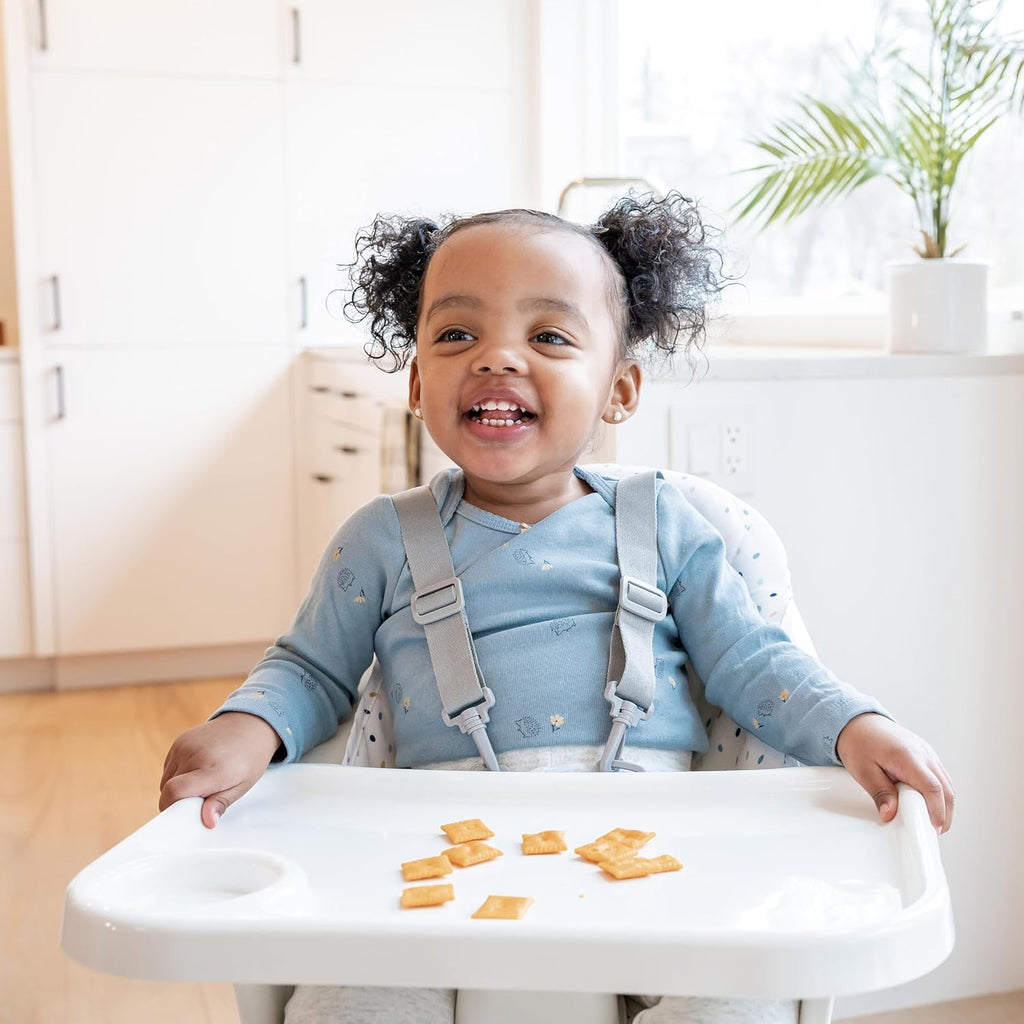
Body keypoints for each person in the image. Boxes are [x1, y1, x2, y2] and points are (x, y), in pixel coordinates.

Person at [160, 193, 954, 1024]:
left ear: (619, 390)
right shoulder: (380, 540)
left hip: (656, 856)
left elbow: (755, 664)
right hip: (435, 855)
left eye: (548, 336)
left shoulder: (673, 527)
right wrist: (245, 729)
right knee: (349, 1000)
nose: (497, 358)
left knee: (739, 992)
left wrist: (855, 725)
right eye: (457, 334)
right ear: (417, 382)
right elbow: (310, 669)